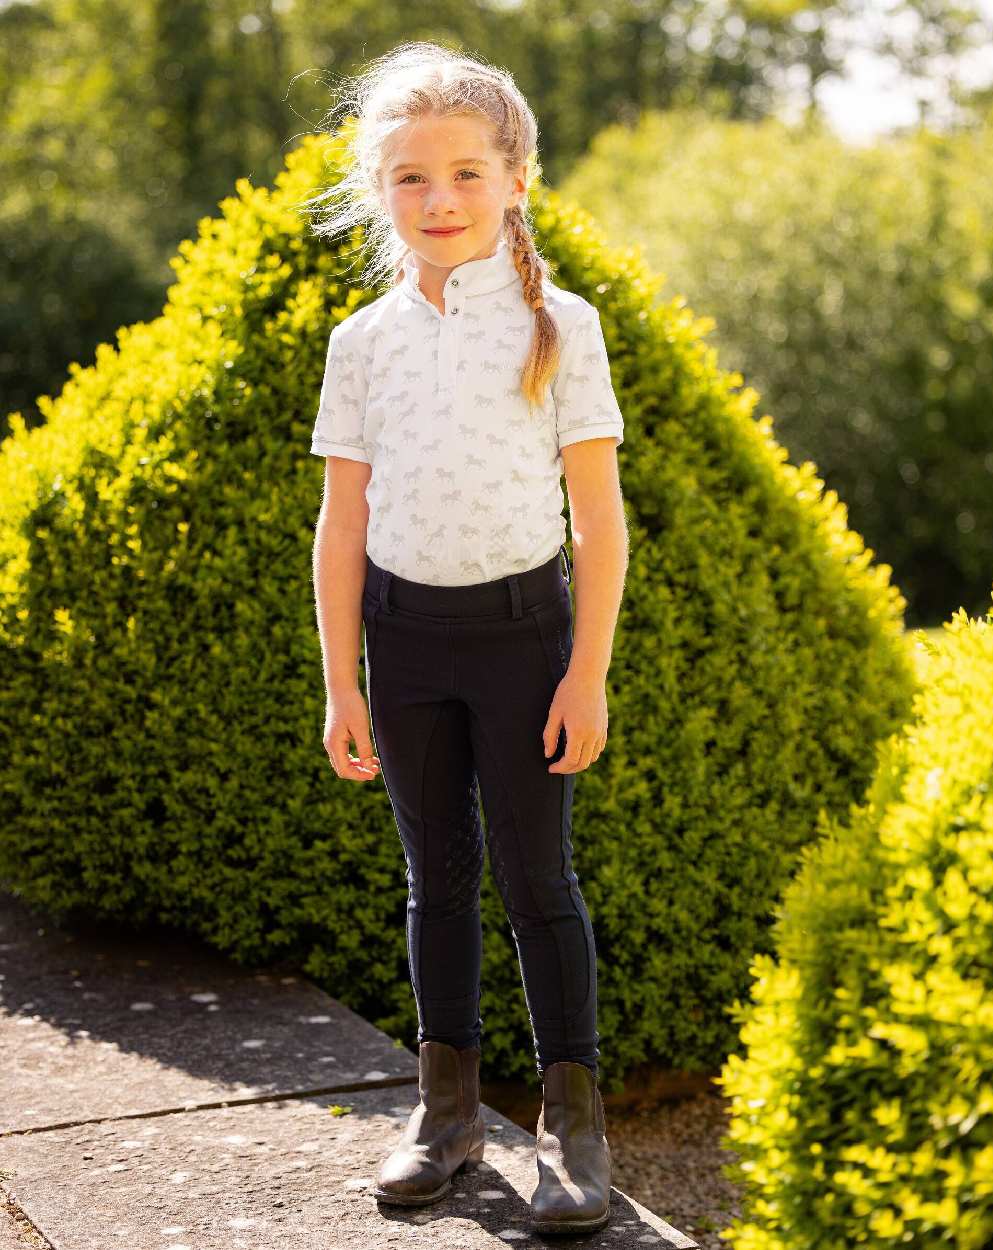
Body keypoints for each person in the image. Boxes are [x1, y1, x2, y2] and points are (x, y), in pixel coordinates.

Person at [307, 41, 628, 1235]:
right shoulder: (363, 340)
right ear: (378, 189)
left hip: (524, 638)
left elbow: (597, 521)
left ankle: (571, 1123)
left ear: (515, 180)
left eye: (463, 173)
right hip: (408, 640)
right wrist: (344, 679)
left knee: (539, 881)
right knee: (432, 882)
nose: (438, 200)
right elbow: (342, 523)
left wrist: (584, 671)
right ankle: (443, 1115)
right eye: (409, 178)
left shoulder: (561, 327)